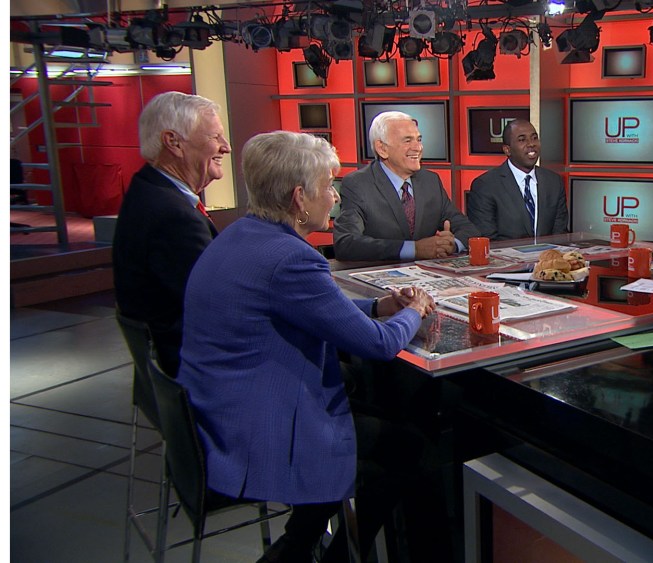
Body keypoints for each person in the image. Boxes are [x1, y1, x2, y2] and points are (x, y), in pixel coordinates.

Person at [176, 131, 440, 562]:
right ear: (299, 198)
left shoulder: (242, 235)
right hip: (261, 430)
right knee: (412, 449)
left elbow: (311, 307)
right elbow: (377, 344)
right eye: (327, 186)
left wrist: (379, 305)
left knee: (379, 421)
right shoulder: (291, 258)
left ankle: (300, 542)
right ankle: (307, 551)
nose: (334, 197)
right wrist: (415, 310)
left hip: (220, 412)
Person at [112, 91, 230, 376]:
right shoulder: (172, 216)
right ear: (173, 142)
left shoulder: (147, 189)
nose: (225, 147)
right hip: (195, 364)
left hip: (174, 353)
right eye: (215, 137)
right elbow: (219, 304)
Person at [334, 110, 479, 261]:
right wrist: (414, 249)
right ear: (382, 149)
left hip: (426, 273)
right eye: (407, 141)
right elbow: (346, 243)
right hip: (381, 271)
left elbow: (469, 229)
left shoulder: (430, 181)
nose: (418, 148)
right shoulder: (358, 184)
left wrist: (451, 245)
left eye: (419, 139)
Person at [466, 119, 569, 240]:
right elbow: (487, 239)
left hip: (548, 252)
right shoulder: (486, 186)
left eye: (534, 138)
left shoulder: (554, 182)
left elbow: (560, 234)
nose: (531, 144)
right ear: (507, 150)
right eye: (522, 140)